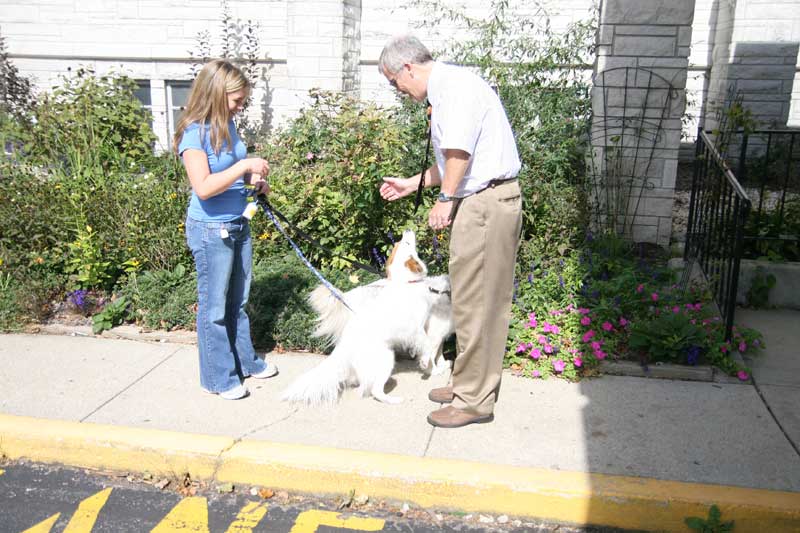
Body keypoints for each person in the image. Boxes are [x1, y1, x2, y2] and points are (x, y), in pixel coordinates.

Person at [378, 35, 522, 428]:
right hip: (480, 201)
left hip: (486, 206)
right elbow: (457, 161)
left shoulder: (454, 89)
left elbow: (458, 155)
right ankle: (466, 385)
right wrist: (414, 183)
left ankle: (473, 401)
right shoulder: (450, 88)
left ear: (408, 67)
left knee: (479, 306)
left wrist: (445, 200)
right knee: (469, 302)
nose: (399, 91)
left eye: (395, 82)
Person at [173, 59, 278, 400]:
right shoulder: (194, 134)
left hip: (237, 222)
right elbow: (203, 187)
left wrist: (252, 180)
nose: (241, 106)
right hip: (210, 230)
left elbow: (230, 170)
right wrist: (244, 166)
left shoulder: (228, 125)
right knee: (214, 308)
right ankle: (219, 378)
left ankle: (245, 361)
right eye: (236, 100)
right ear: (217, 94)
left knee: (238, 301)